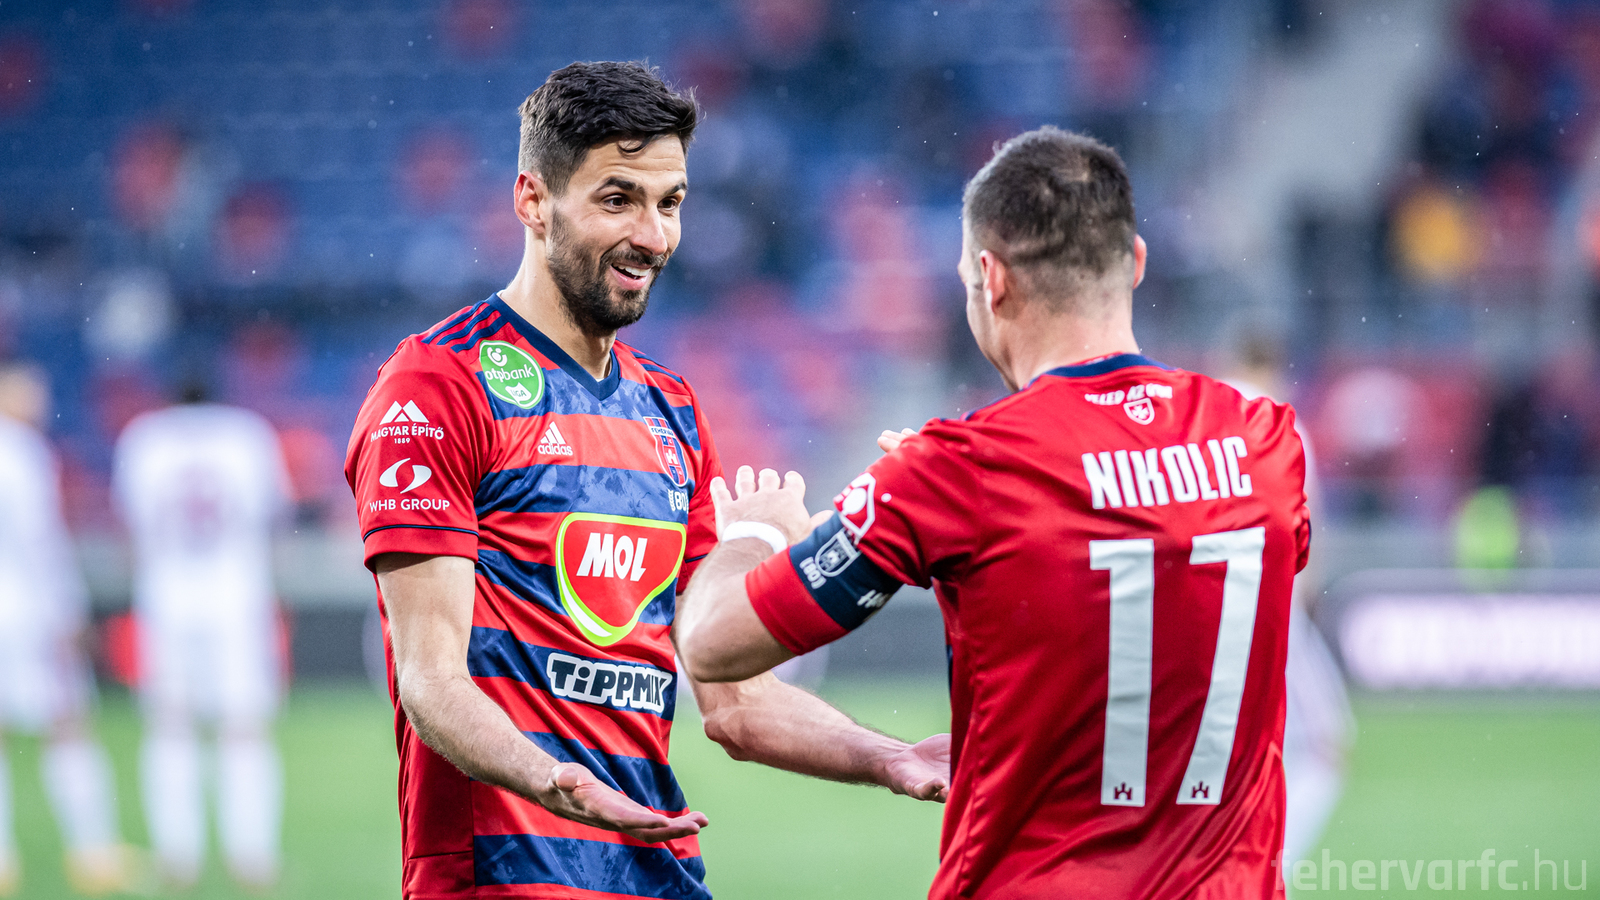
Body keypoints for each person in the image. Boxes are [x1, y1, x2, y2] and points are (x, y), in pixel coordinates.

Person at [343, 60, 948, 900]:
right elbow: (431, 682)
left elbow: (734, 703)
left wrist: (890, 757)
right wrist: (556, 780)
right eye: (618, 199)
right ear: (532, 201)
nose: (654, 236)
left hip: (655, 872)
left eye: (670, 204)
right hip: (507, 876)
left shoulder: (670, 410)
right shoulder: (438, 385)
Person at [677, 127, 1312, 899]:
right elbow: (1136, 540)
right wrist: (947, 519)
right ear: (1137, 262)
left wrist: (753, 532)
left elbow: (711, 648)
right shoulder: (1264, 442)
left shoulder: (958, 471)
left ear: (991, 277)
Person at [113, 378, 291, 889]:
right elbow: (276, 521)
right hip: (237, 596)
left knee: (170, 728)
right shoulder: (246, 434)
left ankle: (177, 858)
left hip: (167, 597)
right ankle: (253, 857)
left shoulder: (144, 438)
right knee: (244, 728)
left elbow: (129, 529)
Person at [1218, 337, 1354, 874]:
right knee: (1326, 747)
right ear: (1271, 366)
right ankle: (1269, 869)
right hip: (1271, 612)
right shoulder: (1279, 424)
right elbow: (1303, 527)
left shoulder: (1198, 420)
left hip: (1208, 612)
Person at [0, 360, 129, 896]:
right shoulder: (21, 452)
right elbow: (40, 541)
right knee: (69, 726)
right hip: (26, 611)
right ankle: (93, 852)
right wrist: (68, 611)